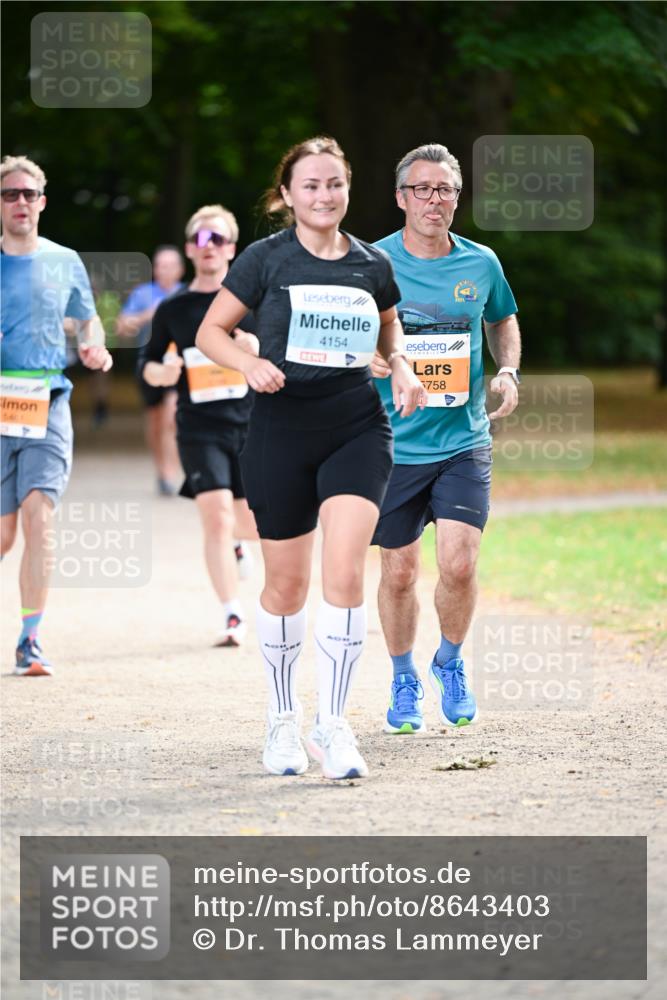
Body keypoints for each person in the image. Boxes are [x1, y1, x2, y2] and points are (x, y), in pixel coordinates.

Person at [196, 136, 424, 780]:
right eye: (311, 185)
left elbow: (389, 324)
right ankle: (282, 723)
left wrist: (400, 365)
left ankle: (335, 725)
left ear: (349, 189)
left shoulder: (373, 263)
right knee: (286, 585)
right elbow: (211, 331)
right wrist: (252, 362)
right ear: (287, 195)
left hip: (356, 424)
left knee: (346, 574)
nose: (324, 196)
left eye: (334, 184)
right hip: (279, 429)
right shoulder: (265, 260)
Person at [371, 142, 521, 733]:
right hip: (391, 446)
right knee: (400, 573)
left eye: (446, 190)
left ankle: (450, 662)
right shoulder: (373, 262)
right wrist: (369, 361)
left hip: (462, 440)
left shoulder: (481, 263)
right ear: (402, 197)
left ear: (458, 197)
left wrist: (506, 368)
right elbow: (346, 336)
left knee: (458, 565)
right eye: (423, 190)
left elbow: (502, 316)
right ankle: (404, 676)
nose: (435, 201)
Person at [0, 154, 113, 677]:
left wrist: (95, 348)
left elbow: (89, 323)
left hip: (49, 404)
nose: (20, 202)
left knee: (39, 520)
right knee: (5, 535)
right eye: (9, 195)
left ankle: (30, 639)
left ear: (42, 202)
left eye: (28, 194)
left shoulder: (64, 260)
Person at [142, 205, 258, 646]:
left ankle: (237, 544)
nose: (209, 248)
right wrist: (164, 370)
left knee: (247, 524)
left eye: (219, 240)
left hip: (249, 425)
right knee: (216, 517)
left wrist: (253, 344)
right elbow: (148, 367)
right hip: (198, 427)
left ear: (231, 249)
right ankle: (232, 614)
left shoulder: (251, 300)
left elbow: (277, 355)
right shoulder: (174, 309)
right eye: (201, 240)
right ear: (191, 248)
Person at [116, 245, 185, 495]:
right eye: (159, 265)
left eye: (169, 265)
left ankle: (171, 472)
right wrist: (150, 314)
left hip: (178, 367)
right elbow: (122, 327)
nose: (163, 270)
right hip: (150, 366)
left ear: (180, 269)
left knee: (171, 418)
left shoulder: (187, 293)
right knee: (156, 421)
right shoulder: (143, 294)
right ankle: (161, 470)